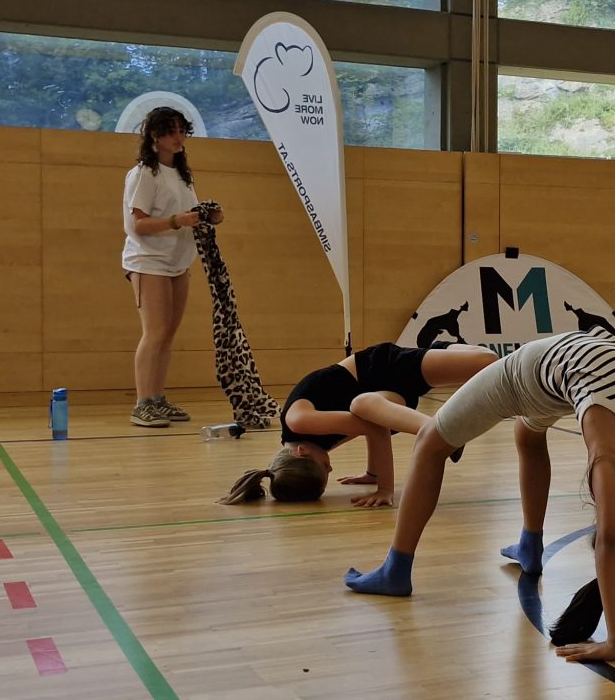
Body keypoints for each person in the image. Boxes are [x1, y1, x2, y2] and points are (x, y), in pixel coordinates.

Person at [343, 330, 615, 663]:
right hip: (564, 374)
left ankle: (396, 570)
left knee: (431, 442)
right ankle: (530, 544)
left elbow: (611, 540)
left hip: (535, 373)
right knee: (528, 433)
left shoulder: (608, 456)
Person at [228, 342, 497, 508]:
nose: (330, 467)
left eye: (324, 467)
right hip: (381, 399)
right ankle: (442, 431)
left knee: (489, 362)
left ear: (301, 453)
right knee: (362, 405)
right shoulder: (309, 441)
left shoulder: (299, 421)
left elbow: (373, 428)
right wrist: (372, 473)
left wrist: (385, 489)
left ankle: (441, 352)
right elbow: (367, 425)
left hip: (381, 368)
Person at [121, 106, 220, 429]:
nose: (179, 137)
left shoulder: (181, 173)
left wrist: (207, 216)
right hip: (149, 261)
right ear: (155, 135)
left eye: (182, 131)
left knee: (167, 333)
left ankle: (157, 397)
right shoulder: (143, 174)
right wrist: (177, 221)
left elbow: (186, 215)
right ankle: (142, 403)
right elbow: (138, 224)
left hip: (178, 262)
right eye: (171, 131)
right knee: (155, 332)